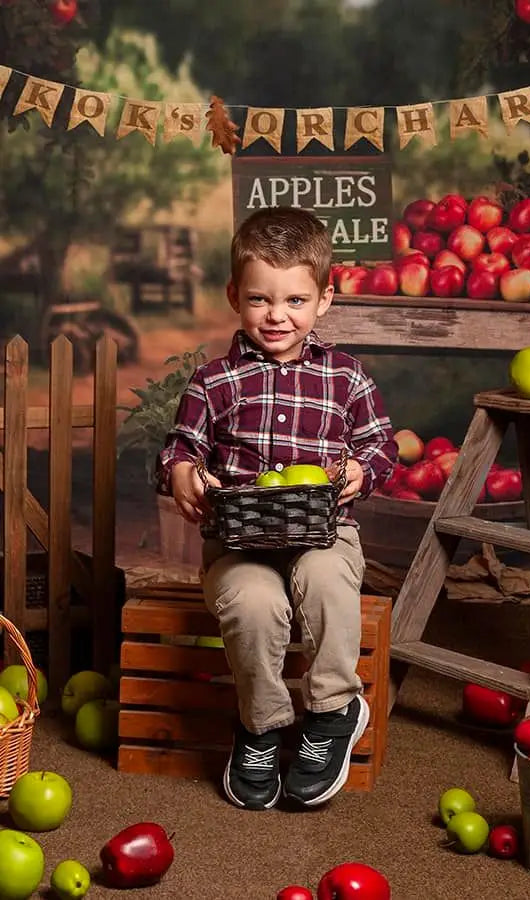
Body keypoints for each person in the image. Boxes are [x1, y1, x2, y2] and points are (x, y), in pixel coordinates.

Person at [157, 206, 396, 811]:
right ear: (235, 295)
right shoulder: (213, 382)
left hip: (325, 534)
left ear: (325, 300)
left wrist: (361, 471)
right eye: (261, 299)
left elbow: (380, 445)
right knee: (252, 603)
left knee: (324, 581)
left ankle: (333, 710)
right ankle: (260, 725)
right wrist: (184, 472)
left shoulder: (347, 378)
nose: (277, 315)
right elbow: (179, 449)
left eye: (295, 300)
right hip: (240, 543)